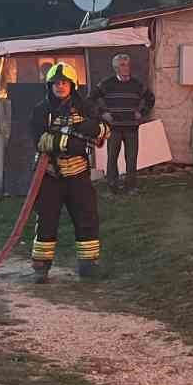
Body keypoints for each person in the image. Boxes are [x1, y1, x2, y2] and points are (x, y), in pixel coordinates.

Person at [28, 62, 109, 281]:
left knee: (87, 217)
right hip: (49, 174)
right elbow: (41, 141)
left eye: (64, 83)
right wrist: (70, 141)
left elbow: (104, 131)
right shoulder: (41, 110)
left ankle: (89, 265)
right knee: (47, 220)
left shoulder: (86, 107)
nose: (60, 86)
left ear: (72, 85)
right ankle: (41, 268)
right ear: (50, 86)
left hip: (78, 173)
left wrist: (91, 128)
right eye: (56, 83)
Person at [92, 53, 154, 195]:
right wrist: (103, 113)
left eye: (127, 64)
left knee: (131, 158)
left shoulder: (137, 84)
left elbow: (150, 98)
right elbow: (91, 99)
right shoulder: (106, 84)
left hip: (131, 127)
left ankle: (130, 187)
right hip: (114, 128)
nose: (126, 67)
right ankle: (113, 187)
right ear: (115, 68)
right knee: (112, 158)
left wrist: (142, 112)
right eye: (122, 65)